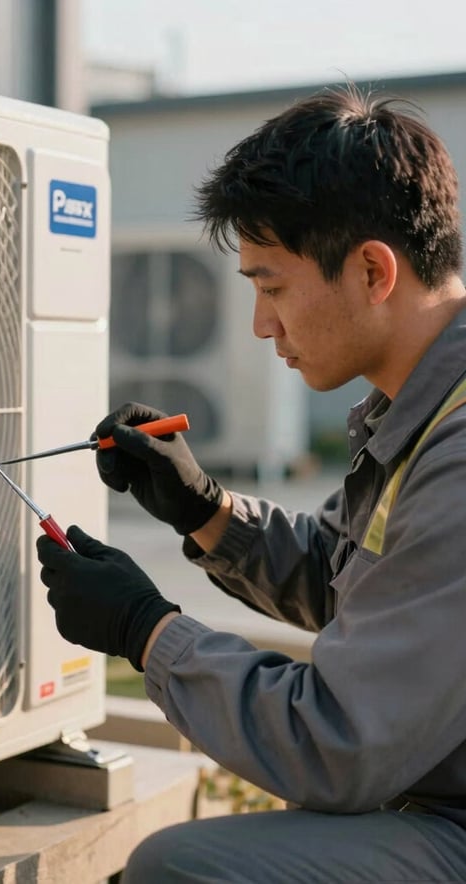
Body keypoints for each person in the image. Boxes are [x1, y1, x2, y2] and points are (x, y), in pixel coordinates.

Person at [35, 84, 466, 882]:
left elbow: (339, 743)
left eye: (271, 287)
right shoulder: (423, 407)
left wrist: (144, 629)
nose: (262, 325)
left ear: (374, 270)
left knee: (181, 869)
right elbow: (358, 581)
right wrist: (205, 509)